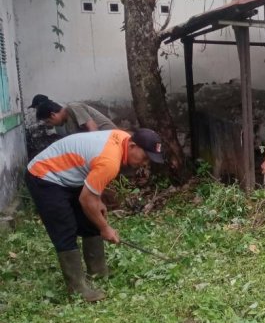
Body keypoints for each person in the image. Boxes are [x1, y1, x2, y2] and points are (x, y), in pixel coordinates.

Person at [25, 129, 164, 302]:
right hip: (44, 175)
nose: (144, 163)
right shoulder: (110, 161)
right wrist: (105, 228)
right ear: (133, 145)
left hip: (68, 175)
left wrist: (97, 201)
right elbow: (86, 200)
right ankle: (77, 289)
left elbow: (92, 174)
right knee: (65, 228)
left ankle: (98, 272)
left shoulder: (122, 138)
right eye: (144, 158)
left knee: (91, 220)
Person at [32, 95, 117, 136]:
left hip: (115, 139)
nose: (50, 125)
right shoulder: (67, 125)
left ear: (53, 115)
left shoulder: (74, 107)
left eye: (48, 122)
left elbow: (93, 129)